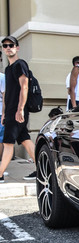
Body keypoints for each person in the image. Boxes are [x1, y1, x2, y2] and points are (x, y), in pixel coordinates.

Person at [0, 36, 37, 182]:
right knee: (26, 140)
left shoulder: (20, 64)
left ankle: (0, 174)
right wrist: (4, 113)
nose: (8, 48)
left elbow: (24, 86)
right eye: (5, 46)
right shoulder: (8, 69)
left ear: (17, 47)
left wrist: (20, 109)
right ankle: (41, 170)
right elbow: (7, 94)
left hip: (17, 112)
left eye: (11, 45)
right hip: (10, 111)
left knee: (8, 143)